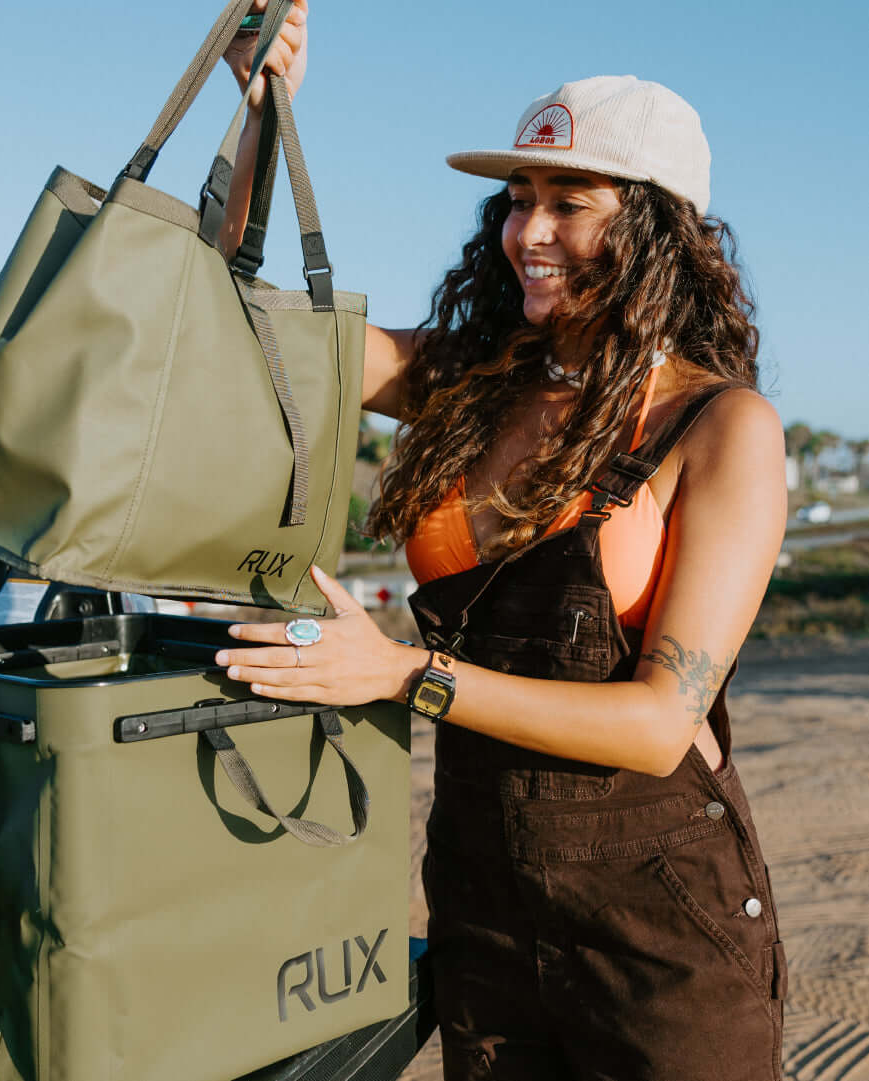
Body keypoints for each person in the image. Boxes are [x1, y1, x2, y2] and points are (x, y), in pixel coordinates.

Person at [220, 5, 788, 1079]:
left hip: (660, 924)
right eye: (517, 198)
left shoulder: (718, 428)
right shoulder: (462, 385)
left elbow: (658, 724)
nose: (526, 231)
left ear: (659, 227)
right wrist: (261, 112)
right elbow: (245, 327)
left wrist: (399, 674)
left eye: (569, 201)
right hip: (482, 894)